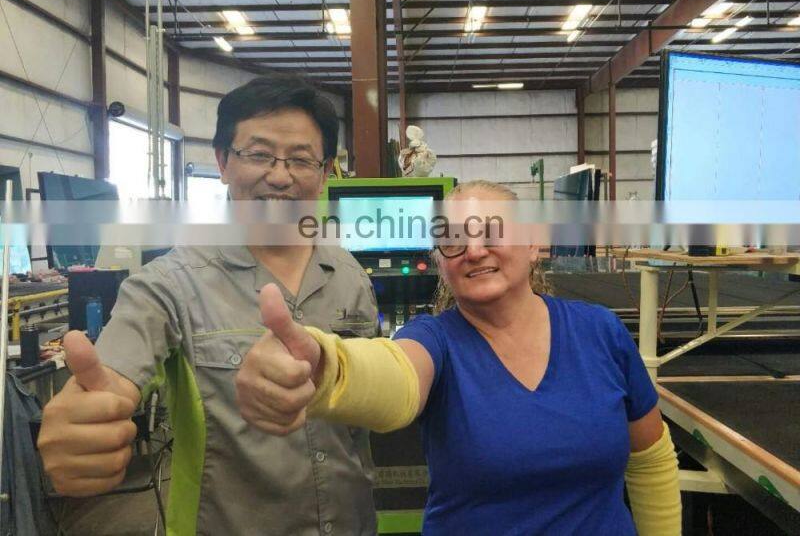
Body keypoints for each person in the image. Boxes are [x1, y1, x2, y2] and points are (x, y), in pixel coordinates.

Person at [37, 74, 380, 535]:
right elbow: (114, 376)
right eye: (259, 154)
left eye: (301, 159)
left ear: (323, 174)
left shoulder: (350, 275)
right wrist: (85, 423)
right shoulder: (168, 285)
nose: (280, 176)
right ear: (222, 162)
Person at [239, 180, 682, 535]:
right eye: (453, 241)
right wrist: (324, 366)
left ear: (533, 245)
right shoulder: (436, 340)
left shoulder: (600, 332)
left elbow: (650, 459)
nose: (473, 250)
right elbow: (398, 375)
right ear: (441, 262)